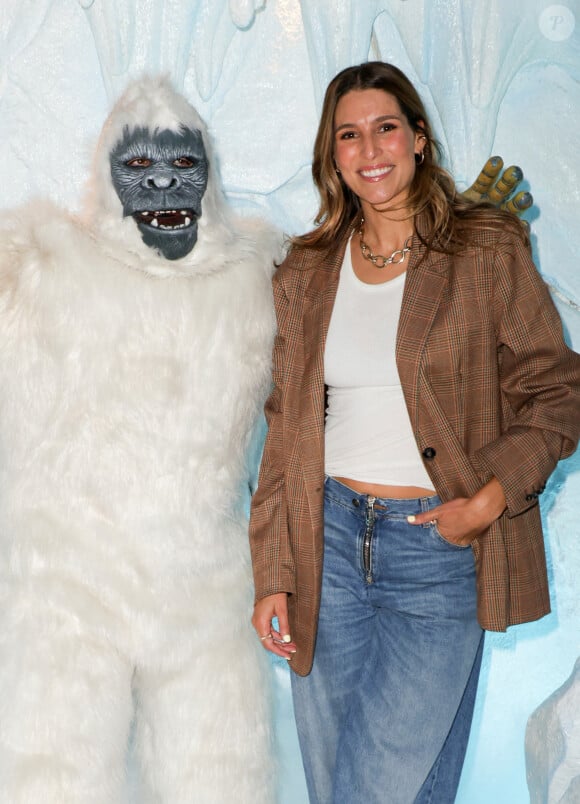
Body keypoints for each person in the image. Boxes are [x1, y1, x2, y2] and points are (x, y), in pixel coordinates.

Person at [249, 61, 580, 804]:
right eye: (349, 134)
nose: (370, 150)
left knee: (368, 789)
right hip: (326, 543)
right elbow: (285, 429)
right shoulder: (304, 271)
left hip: (436, 550)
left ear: (420, 138)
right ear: (330, 156)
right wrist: (274, 570)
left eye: (387, 128)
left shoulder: (484, 252)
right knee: (369, 783)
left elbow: (559, 390)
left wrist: (489, 500)